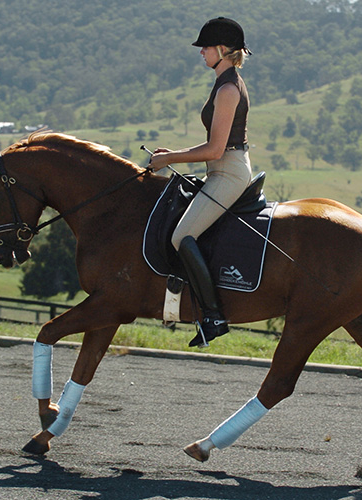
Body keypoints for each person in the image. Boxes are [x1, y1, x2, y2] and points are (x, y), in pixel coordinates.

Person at [148, 17, 253, 347]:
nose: (202, 52)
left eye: (206, 47)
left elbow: (215, 148)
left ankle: (214, 316)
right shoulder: (223, 81)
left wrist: (168, 158)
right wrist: (173, 155)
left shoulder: (228, 88)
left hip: (229, 172)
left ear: (222, 50)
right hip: (219, 169)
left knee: (183, 235)